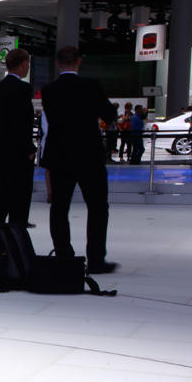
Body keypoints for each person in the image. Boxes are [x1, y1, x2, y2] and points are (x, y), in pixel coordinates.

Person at [39, 45, 119, 274]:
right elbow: (109, 114)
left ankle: (64, 256)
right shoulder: (90, 86)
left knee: (59, 208)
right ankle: (96, 259)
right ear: (79, 61)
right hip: (89, 156)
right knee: (98, 208)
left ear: (57, 64)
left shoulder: (49, 91)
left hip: (60, 156)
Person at [0, 48, 35, 228]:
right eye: (27, 63)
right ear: (23, 64)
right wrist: (29, 149)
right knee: (19, 201)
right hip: (18, 155)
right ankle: (16, 238)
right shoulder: (23, 89)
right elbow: (23, 123)